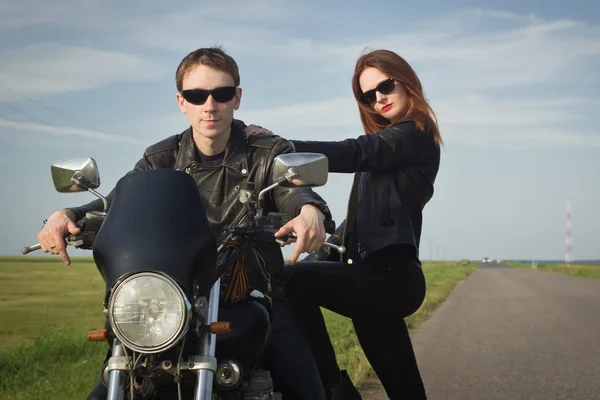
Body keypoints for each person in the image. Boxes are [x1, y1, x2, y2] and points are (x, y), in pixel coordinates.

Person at [37, 46, 334, 400]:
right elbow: (118, 205)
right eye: (197, 95)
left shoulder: (266, 151)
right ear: (182, 101)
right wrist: (67, 216)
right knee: (115, 376)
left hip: (250, 293)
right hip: (168, 300)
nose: (210, 105)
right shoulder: (160, 157)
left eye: (221, 94)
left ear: (237, 98)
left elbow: (292, 191)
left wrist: (308, 211)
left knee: (306, 388)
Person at [249, 49, 442, 399]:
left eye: (385, 86)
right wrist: (312, 252)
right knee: (406, 392)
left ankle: (333, 387)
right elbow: (351, 231)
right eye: (368, 95)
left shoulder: (415, 132)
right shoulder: (385, 156)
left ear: (406, 80)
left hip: (390, 278)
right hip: (369, 276)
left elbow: (356, 151)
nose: (378, 98)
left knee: (294, 282)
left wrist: (279, 148)